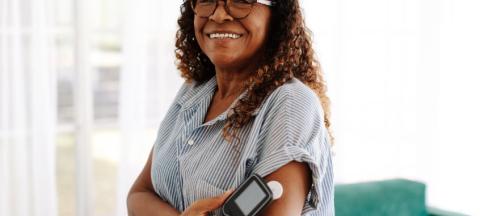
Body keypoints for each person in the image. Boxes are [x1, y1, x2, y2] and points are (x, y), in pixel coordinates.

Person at [127, 0, 334, 215]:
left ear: (277, 13)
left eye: (240, 0)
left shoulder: (292, 105)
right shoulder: (193, 90)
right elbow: (139, 195)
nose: (218, 15)